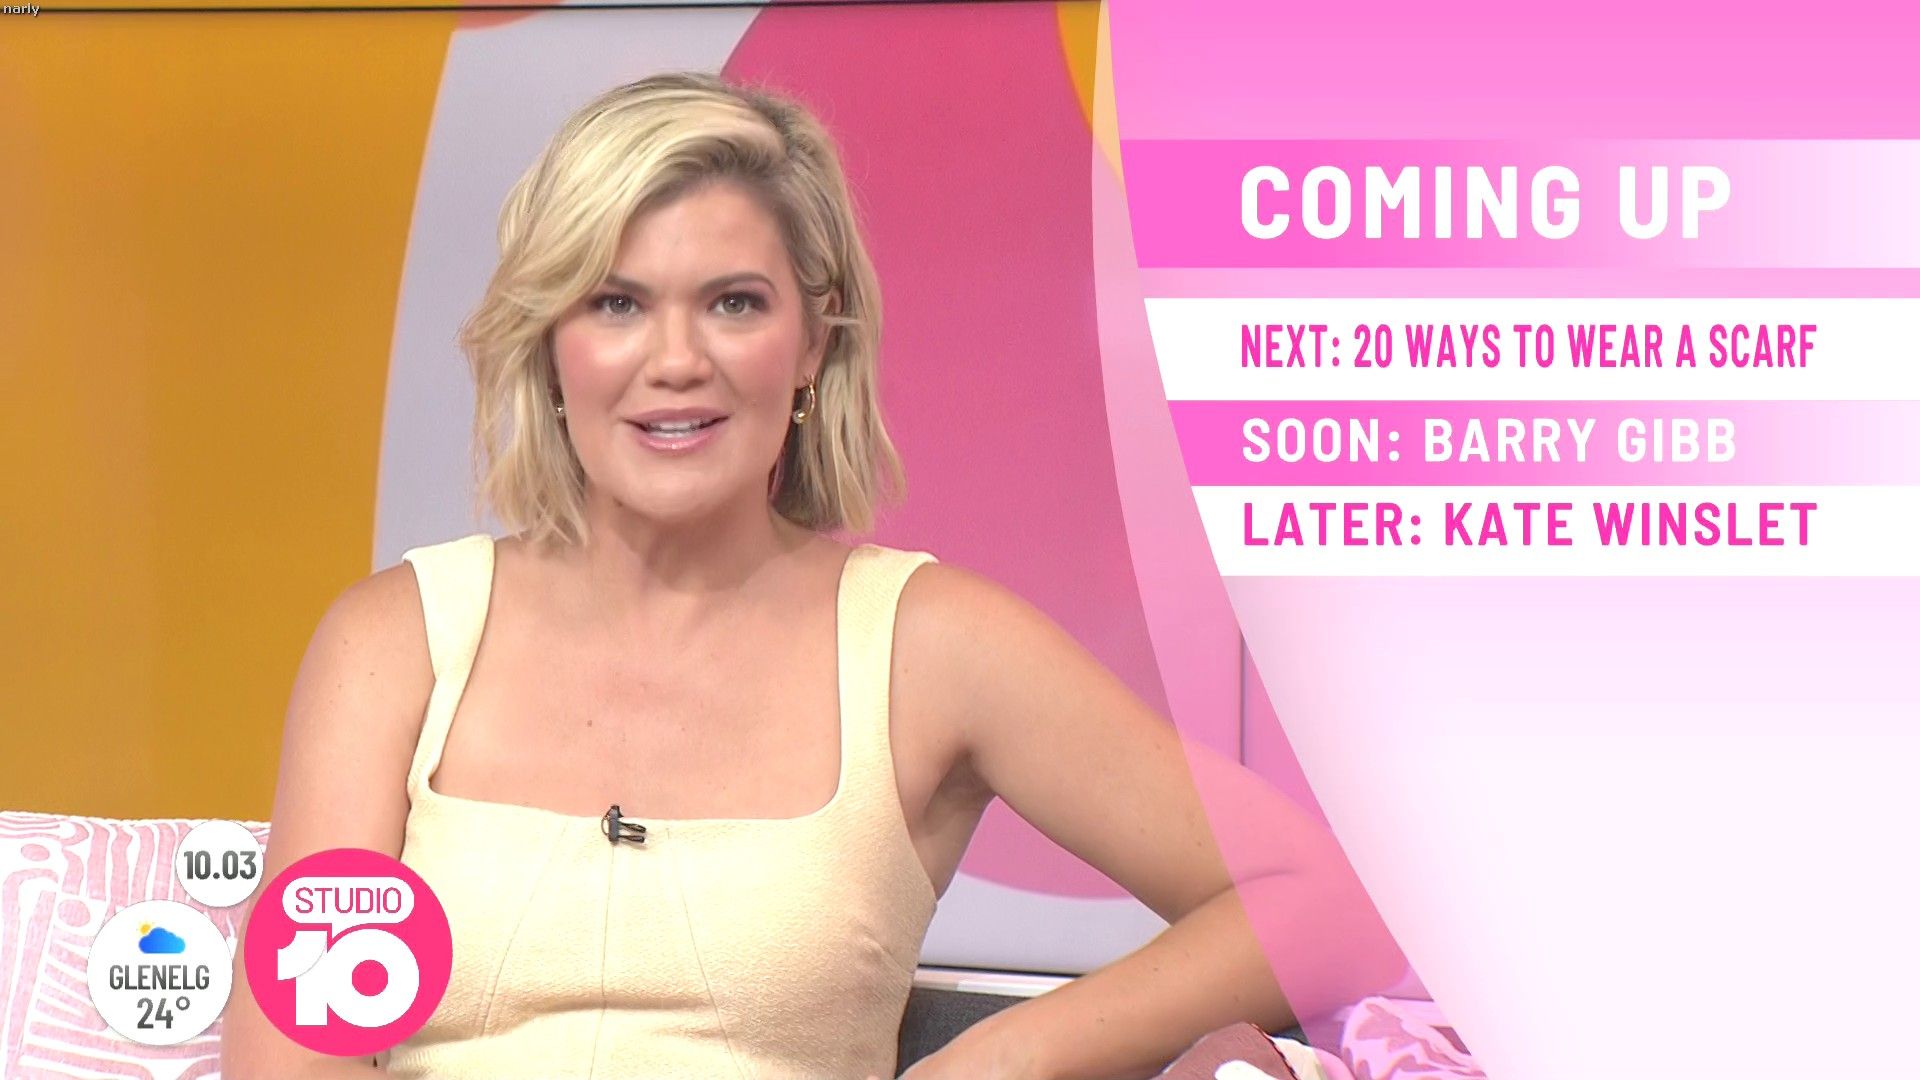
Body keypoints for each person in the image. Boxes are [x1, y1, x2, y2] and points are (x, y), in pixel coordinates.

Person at [221, 71, 1365, 1080]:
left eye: (734, 303)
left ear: (812, 344)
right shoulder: (395, 643)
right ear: (549, 345)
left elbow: (1322, 905)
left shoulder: (928, 646)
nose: (677, 360)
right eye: (616, 303)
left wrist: (1006, 1056)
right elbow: (289, 1057)